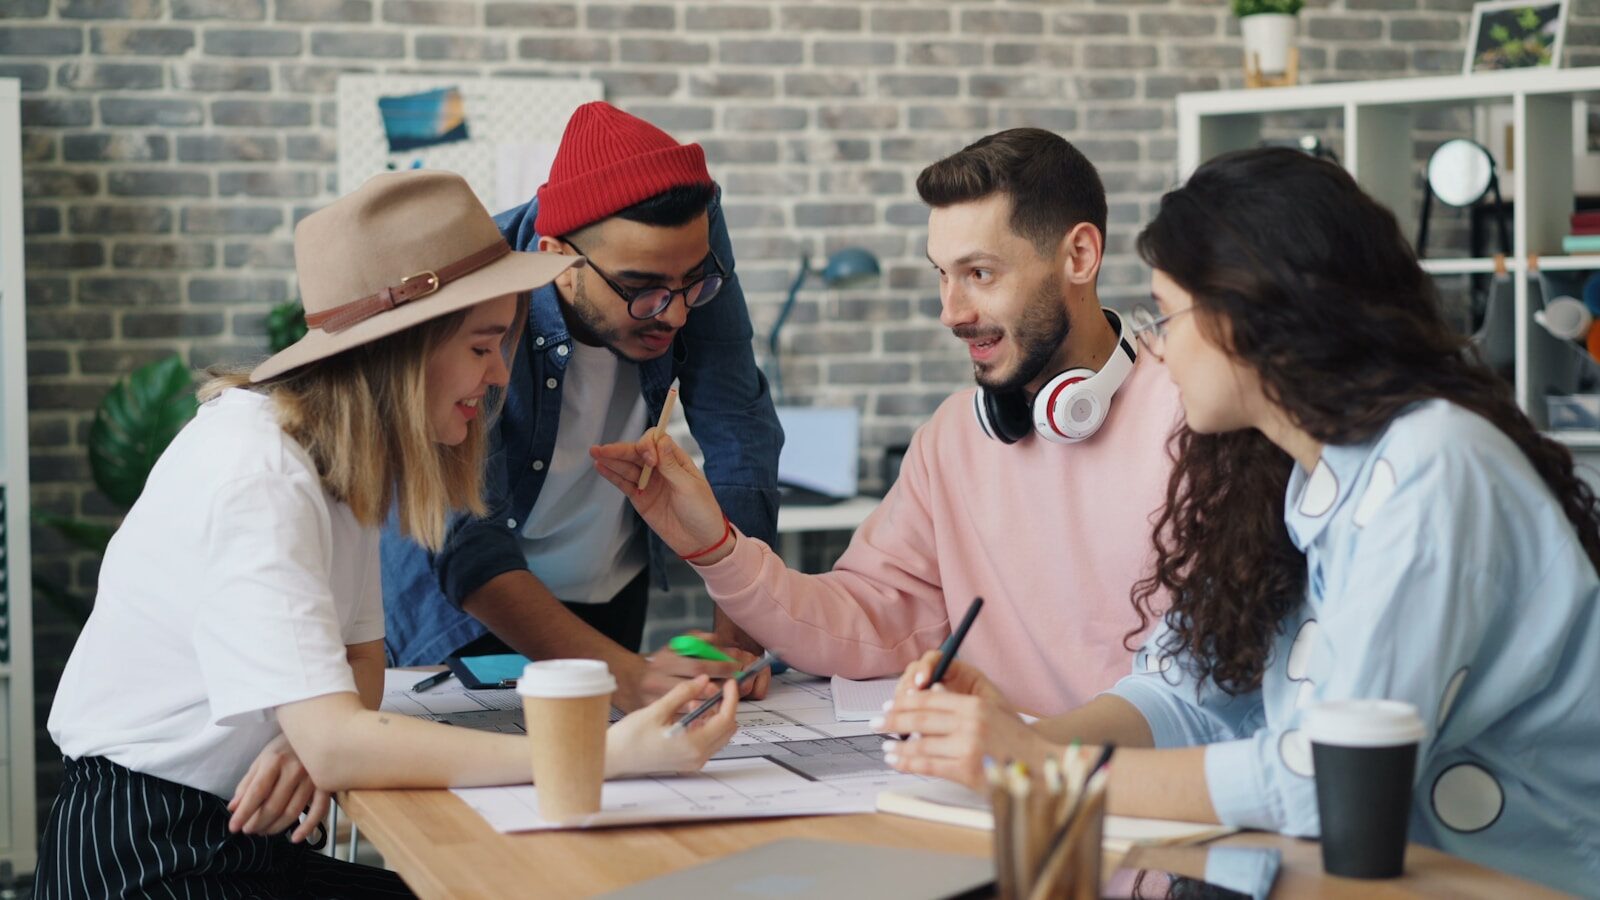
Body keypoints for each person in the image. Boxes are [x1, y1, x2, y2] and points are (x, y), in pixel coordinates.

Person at [876, 148, 1600, 894]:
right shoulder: (1284, 474)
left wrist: (1041, 767)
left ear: (1251, 317)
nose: (1156, 344)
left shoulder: (1431, 467)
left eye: (1167, 314)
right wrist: (1021, 737)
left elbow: (1327, 778)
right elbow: (1182, 691)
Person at [37, 172, 739, 899]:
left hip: (230, 833)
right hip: (147, 854)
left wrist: (316, 740)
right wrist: (600, 754)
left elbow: (361, 671)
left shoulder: (338, 467)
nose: (499, 375)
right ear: (403, 348)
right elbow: (342, 736)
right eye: (481, 346)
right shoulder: (260, 475)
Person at [590, 128, 1182, 717]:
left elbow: (1208, 695)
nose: (950, 312)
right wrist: (718, 547)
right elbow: (865, 620)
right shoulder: (953, 439)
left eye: (979, 273)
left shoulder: (1193, 416)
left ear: (1079, 256)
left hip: (1142, 791)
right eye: (942, 274)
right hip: (990, 784)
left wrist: (1033, 749)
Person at [381, 102, 783, 711]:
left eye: (692, 285)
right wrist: (624, 675)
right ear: (556, 257)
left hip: (608, 589)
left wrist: (740, 635)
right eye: (641, 290)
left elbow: (739, 426)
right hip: (473, 607)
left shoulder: (681, 246)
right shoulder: (475, 291)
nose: (675, 313)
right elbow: (465, 534)